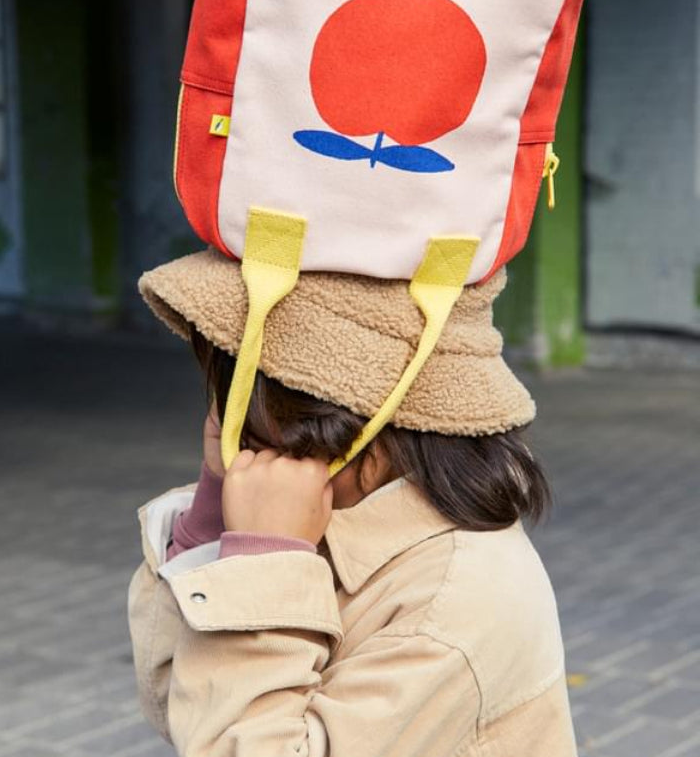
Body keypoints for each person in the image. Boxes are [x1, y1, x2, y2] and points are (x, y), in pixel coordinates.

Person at [127, 250, 579, 756]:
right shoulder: (338, 519)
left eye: (249, 398)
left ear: (339, 422)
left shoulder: (453, 606)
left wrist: (264, 566)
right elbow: (182, 702)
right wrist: (214, 519)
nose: (228, 419)